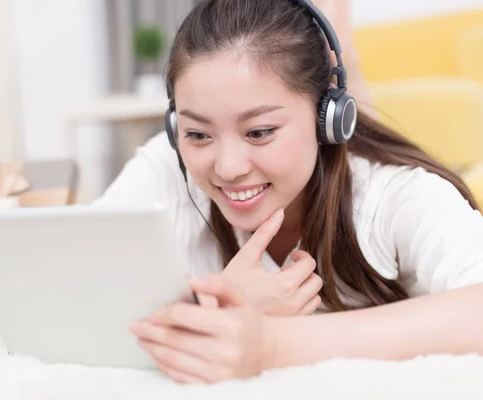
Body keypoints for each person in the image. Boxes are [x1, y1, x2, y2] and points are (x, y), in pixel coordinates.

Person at [91, 0, 483, 384]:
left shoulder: (395, 197)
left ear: (326, 118)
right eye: (197, 134)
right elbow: (76, 285)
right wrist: (219, 304)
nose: (228, 167)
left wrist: (270, 344)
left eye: (259, 132)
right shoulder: (166, 165)